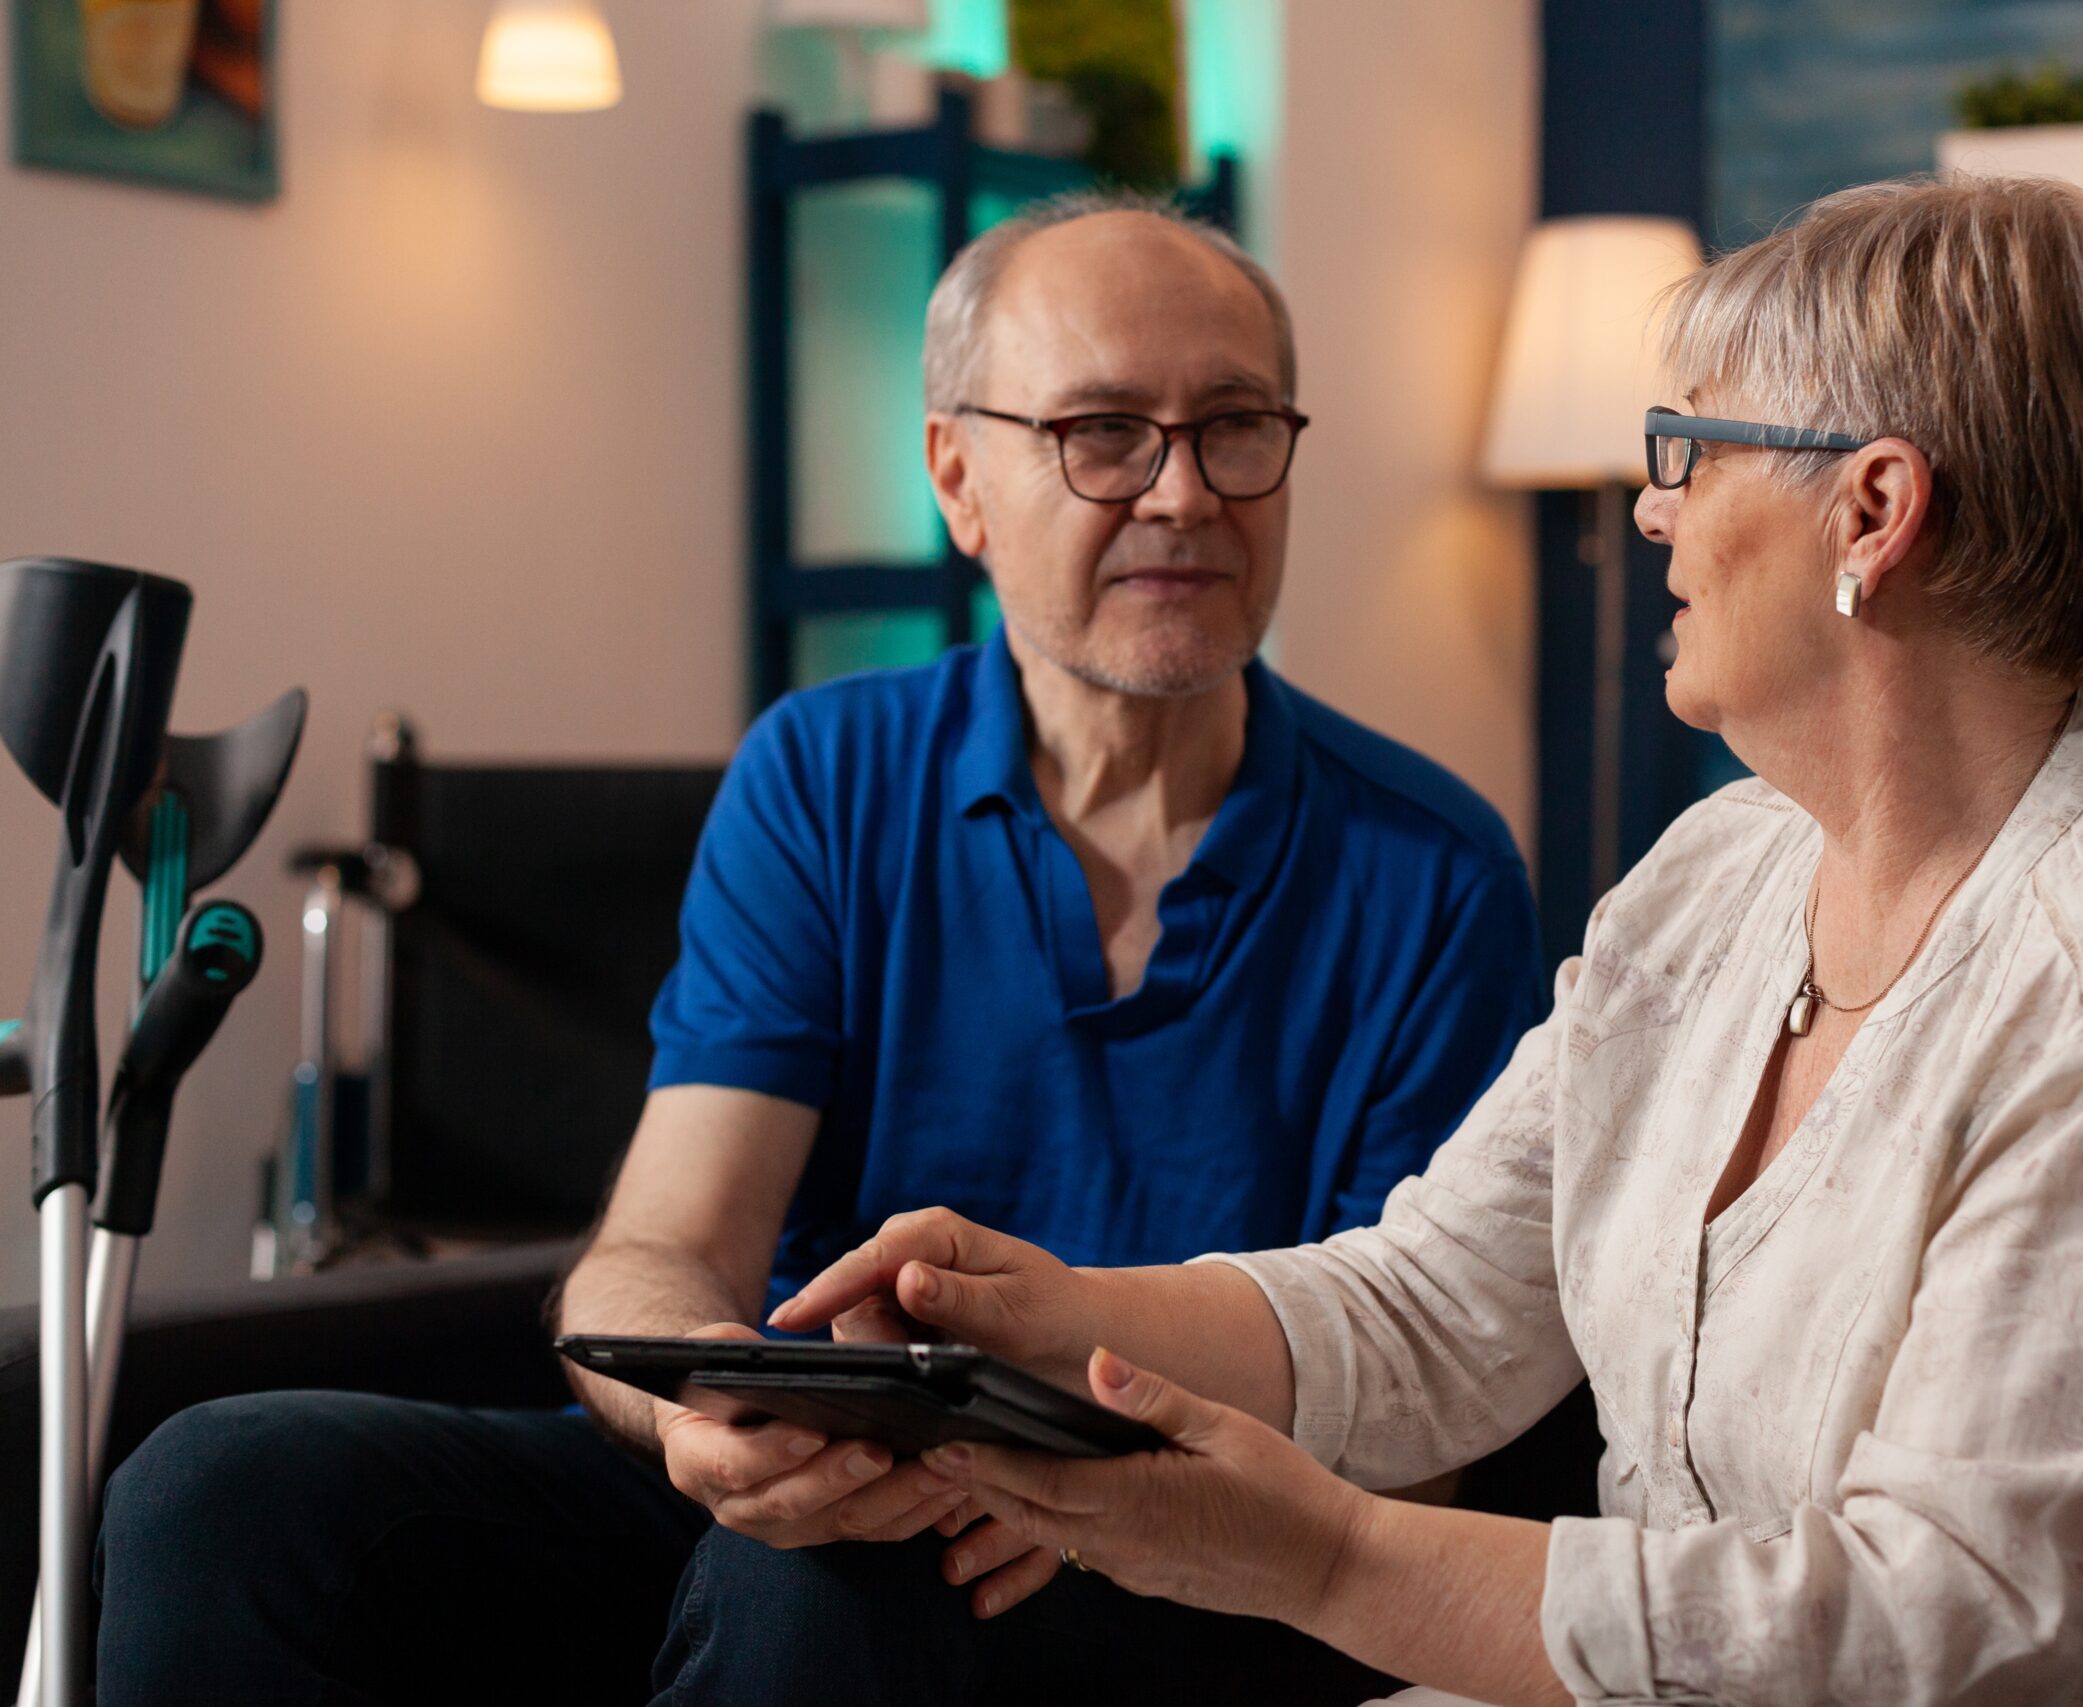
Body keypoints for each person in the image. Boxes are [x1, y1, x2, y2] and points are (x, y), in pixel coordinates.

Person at [772, 174, 2083, 1707]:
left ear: (1872, 511)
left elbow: (1943, 1628)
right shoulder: (1716, 878)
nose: (1653, 513)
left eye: (1691, 452)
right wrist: (1046, 1313)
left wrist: (1318, 1557)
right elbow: (1437, 1306)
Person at [94, 192, 1539, 1706]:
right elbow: (660, 1248)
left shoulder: (1432, 866)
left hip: (1183, 1554)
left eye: (1234, 426)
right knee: (219, 1489)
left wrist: (1076, 1484)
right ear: (958, 477)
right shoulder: (824, 775)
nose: (1182, 494)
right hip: (797, 1499)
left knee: (834, 1583)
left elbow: (1421, 1416)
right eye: (1104, 432)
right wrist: (698, 1414)